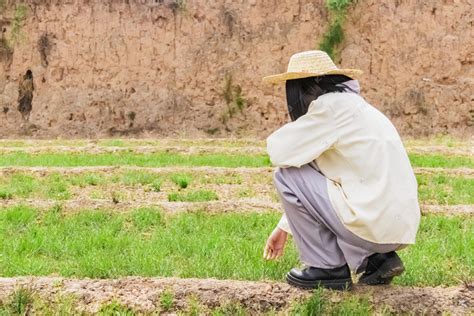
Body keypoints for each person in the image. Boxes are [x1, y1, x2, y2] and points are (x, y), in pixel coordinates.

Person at [262, 50, 420, 290]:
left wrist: (302, 133)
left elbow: (279, 152)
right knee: (326, 179)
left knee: (287, 175)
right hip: (396, 226)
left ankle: (327, 267)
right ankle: (376, 260)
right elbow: (326, 184)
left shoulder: (329, 108)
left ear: (302, 88)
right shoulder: (356, 107)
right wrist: (284, 227)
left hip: (373, 222)